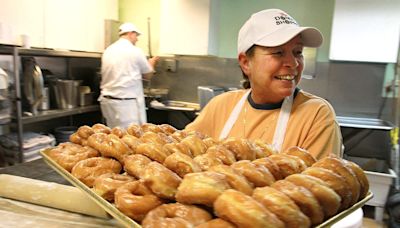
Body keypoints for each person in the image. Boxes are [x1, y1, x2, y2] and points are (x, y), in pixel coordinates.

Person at [185, 9, 343, 159]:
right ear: (246, 63)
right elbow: (181, 152)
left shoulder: (316, 115)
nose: (293, 63)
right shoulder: (221, 106)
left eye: (298, 52)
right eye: (278, 52)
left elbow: (315, 185)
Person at [99, 22, 159, 129]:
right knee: (130, 138)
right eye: (136, 36)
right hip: (126, 105)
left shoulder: (108, 50)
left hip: (108, 101)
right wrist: (152, 63)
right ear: (131, 34)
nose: (137, 39)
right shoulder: (135, 51)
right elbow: (147, 76)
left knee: (114, 136)